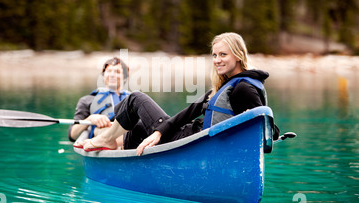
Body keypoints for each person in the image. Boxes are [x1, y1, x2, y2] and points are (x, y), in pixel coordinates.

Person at [81, 32, 279, 155]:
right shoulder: (225, 87)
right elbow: (189, 112)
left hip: (189, 143)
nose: (217, 60)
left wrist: (161, 132)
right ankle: (120, 149)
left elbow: (266, 126)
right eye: (214, 55)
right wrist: (159, 132)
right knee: (140, 127)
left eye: (223, 54)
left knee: (135, 98)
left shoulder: (242, 88)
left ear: (238, 55)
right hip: (187, 137)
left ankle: (106, 139)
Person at [69, 57, 130, 148]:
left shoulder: (134, 101)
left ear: (124, 78)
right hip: (102, 132)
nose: (112, 75)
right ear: (104, 75)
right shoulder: (87, 100)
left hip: (129, 134)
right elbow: (72, 135)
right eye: (109, 71)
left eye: (117, 72)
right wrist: (90, 119)